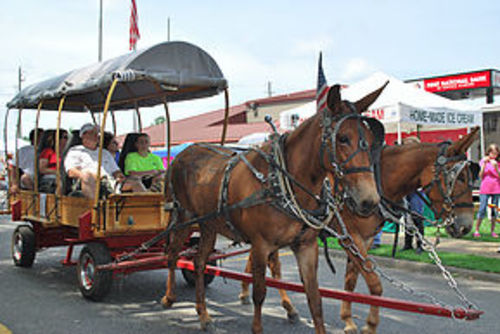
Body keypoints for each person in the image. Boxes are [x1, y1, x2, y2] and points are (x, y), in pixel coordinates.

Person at [64, 123, 138, 199]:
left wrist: (119, 176)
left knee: (135, 182)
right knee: (87, 175)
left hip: (109, 182)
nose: (96, 136)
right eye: (92, 133)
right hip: (89, 182)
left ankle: (145, 208)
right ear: (83, 135)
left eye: (97, 133)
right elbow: (71, 171)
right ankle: (94, 208)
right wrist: (89, 176)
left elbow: (116, 170)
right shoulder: (76, 151)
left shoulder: (105, 152)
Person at [401, 136, 425, 254]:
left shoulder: (420, 159)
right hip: (406, 190)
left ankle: (420, 244)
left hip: (416, 191)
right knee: (407, 218)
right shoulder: (403, 159)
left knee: (417, 217)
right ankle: (408, 243)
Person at [473, 143, 500, 238]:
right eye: (491, 153)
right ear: (488, 153)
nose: (493, 155)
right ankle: (476, 230)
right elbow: (480, 175)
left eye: (495, 153)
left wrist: (496, 167)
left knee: (494, 210)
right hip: (485, 188)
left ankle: (493, 231)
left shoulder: (498, 163)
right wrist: (484, 164)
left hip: (496, 188)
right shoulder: (483, 161)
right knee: (482, 209)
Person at [9, 128, 44, 193]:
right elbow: (14, 168)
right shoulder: (23, 151)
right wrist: (14, 184)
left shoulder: (46, 151)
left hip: (42, 179)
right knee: (25, 178)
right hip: (29, 180)